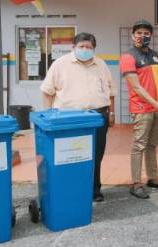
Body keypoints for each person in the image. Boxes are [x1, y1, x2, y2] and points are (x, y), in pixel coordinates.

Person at [40, 32, 116, 202]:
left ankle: (95, 190)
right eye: (81, 46)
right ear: (73, 47)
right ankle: (70, 189)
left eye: (89, 47)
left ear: (94, 49)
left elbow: (111, 91)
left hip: (98, 116)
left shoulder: (101, 64)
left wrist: (111, 113)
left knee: (96, 154)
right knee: (71, 154)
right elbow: (46, 91)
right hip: (69, 118)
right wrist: (49, 116)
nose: (85, 49)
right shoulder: (60, 64)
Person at [120, 20, 158, 199]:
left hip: (157, 108)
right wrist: (157, 105)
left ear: (151, 35)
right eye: (139, 33)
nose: (143, 36)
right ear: (133, 35)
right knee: (139, 145)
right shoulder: (128, 57)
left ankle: (154, 178)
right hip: (142, 108)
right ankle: (136, 183)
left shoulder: (156, 55)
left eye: (146, 33)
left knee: (152, 145)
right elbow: (136, 87)